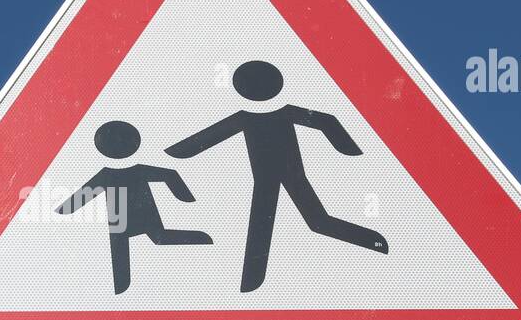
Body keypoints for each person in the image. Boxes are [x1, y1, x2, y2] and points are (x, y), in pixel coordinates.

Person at [166, 60, 388, 293]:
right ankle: (251, 282)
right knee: (304, 222)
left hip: (290, 176)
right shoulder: (260, 116)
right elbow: (327, 122)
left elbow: (203, 140)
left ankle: (372, 240)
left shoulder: (257, 117)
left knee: (308, 222)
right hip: (270, 180)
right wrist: (346, 148)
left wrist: (349, 148)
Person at [57, 121, 212, 294]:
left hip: (126, 216)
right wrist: (184, 196)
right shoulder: (126, 172)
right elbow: (170, 175)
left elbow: (169, 175)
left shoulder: (111, 174)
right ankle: (121, 289)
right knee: (142, 242)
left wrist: (64, 210)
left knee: (139, 242)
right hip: (129, 215)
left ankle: (202, 239)